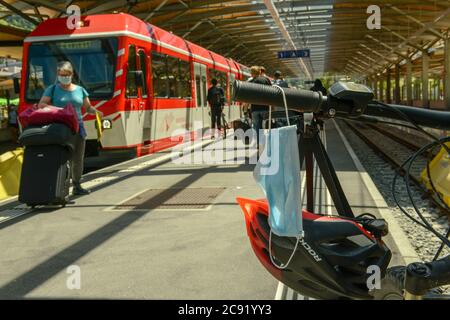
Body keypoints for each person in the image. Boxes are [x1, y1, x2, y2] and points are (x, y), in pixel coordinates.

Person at [38, 61, 103, 196]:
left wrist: (96, 112)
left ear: (72, 74)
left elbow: (88, 107)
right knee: (62, 157)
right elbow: (42, 105)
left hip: (78, 127)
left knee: (78, 158)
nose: (64, 77)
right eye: (62, 74)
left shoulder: (80, 90)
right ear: (58, 74)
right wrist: (60, 110)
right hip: (61, 127)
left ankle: (77, 185)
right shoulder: (53, 89)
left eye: (67, 74)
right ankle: (59, 186)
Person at [249, 66, 271, 149]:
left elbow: (248, 97)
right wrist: (272, 106)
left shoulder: (251, 82)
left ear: (252, 73)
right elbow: (271, 93)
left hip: (255, 109)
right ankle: (267, 142)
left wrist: (246, 107)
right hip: (265, 107)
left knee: (257, 127)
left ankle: (259, 143)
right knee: (266, 126)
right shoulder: (266, 80)